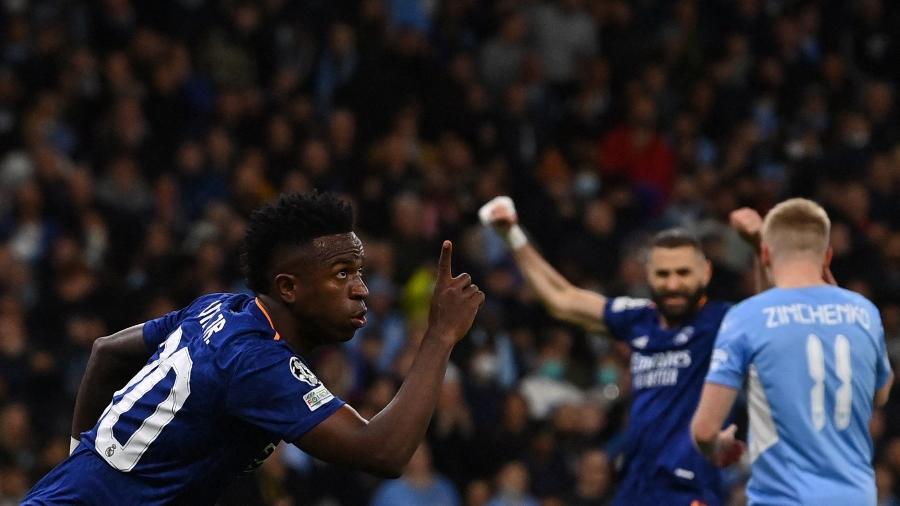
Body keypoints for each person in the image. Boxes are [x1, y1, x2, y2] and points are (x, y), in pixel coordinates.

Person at [23, 191, 485, 505]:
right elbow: (383, 452)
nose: (361, 289)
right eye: (342, 273)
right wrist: (440, 335)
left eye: (359, 271)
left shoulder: (220, 309)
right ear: (288, 287)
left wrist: (79, 462)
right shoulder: (254, 362)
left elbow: (106, 352)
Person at [479, 196, 750, 506]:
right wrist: (512, 235)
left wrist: (759, 246)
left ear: (706, 274)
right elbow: (562, 299)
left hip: (690, 490)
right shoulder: (638, 317)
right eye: (663, 274)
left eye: (683, 273)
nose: (673, 284)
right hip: (635, 489)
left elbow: (780, 321)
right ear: (648, 275)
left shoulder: (725, 321)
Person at [691, 198, 894, 505]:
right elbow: (879, 395)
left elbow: (704, 430)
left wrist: (717, 447)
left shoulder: (746, 317)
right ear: (827, 256)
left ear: (765, 253)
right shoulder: (865, 312)